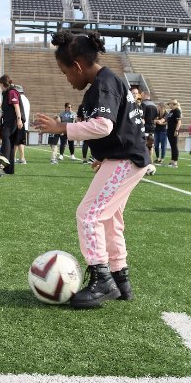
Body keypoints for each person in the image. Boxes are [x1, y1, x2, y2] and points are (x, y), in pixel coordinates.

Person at [33, 30, 150, 310]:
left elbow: (104, 126)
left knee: (88, 215)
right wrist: (104, 155)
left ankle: (102, 279)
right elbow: (120, 127)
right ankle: (121, 279)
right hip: (123, 159)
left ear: (77, 66)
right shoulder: (108, 81)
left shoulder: (104, 83)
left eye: (65, 74)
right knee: (109, 219)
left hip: (125, 161)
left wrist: (61, 127)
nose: (68, 79)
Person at [0, 74, 24, 174]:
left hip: (12, 122)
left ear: (2, 83)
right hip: (10, 121)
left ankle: (3, 164)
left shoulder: (12, 92)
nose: (0, 86)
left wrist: (19, 119)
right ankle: (9, 170)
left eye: (0, 84)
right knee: (12, 144)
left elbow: (16, 106)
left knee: (5, 138)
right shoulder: (8, 92)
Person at [140, 91, 158, 165]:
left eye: (142, 95)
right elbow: (156, 116)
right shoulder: (154, 105)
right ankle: (151, 162)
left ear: (144, 95)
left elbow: (142, 117)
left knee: (144, 145)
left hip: (145, 128)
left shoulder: (144, 104)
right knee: (151, 145)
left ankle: (145, 161)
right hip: (152, 128)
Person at [15, 84, 31, 164]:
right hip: (24, 123)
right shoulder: (26, 99)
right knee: (19, 141)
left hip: (19, 122)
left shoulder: (19, 99)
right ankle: (21, 158)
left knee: (15, 141)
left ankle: (15, 158)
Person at [166, 99, 182, 167]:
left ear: (173, 104)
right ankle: (172, 160)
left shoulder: (177, 111)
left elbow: (179, 122)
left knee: (174, 146)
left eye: (169, 104)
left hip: (174, 130)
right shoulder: (171, 111)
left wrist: (176, 130)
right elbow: (169, 120)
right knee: (172, 146)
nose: (169, 105)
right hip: (169, 130)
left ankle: (175, 161)